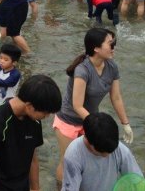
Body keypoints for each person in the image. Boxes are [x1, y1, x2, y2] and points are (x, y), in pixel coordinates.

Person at [54, 28, 133, 184]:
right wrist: (98, 127)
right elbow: (77, 105)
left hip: (90, 121)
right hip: (68, 121)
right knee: (67, 162)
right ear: (96, 48)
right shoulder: (82, 70)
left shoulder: (112, 67)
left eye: (114, 43)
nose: (114, 48)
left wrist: (126, 123)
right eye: (111, 44)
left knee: (91, 160)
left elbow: (116, 97)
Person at [0, 74, 62, 191]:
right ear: (29, 106)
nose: (47, 117)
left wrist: (35, 189)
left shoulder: (34, 120)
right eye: (45, 113)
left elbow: (33, 159)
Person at [61, 112, 143, 191]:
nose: (109, 155)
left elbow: (137, 180)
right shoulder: (73, 156)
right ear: (90, 143)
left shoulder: (118, 148)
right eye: (104, 153)